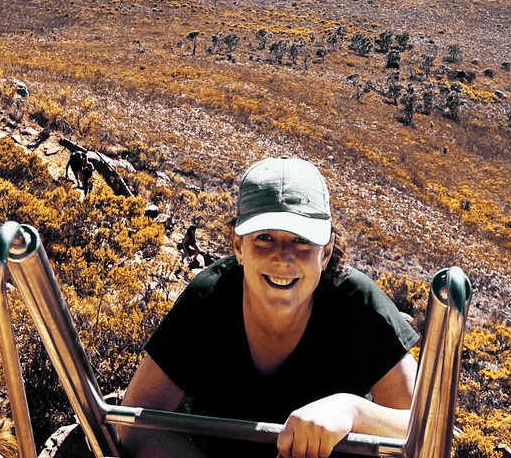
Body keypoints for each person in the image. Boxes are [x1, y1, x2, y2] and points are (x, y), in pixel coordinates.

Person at [121, 157, 418, 458]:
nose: (283, 257)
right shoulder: (209, 299)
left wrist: (352, 410)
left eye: (301, 241)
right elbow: (134, 424)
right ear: (238, 245)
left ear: (326, 252)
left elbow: (423, 428)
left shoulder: (359, 305)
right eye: (265, 238)